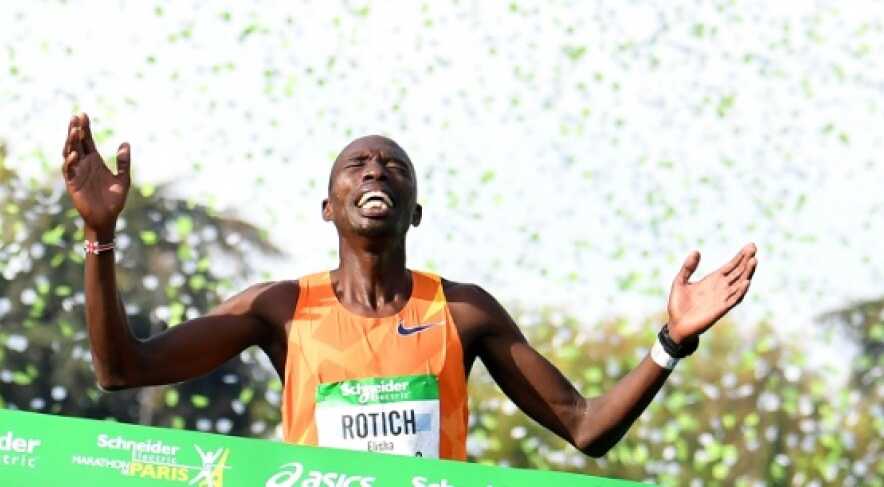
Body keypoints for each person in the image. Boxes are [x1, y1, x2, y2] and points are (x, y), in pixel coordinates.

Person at [63, 112, 758, 461]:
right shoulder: (281, 308)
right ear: (328, 207)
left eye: (393, 167)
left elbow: (585, 427)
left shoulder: (463, 311)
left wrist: (670, 343)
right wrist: (100, 237)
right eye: (357, 165)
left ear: (415, 210)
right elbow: (123, 369)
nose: (374, 172)